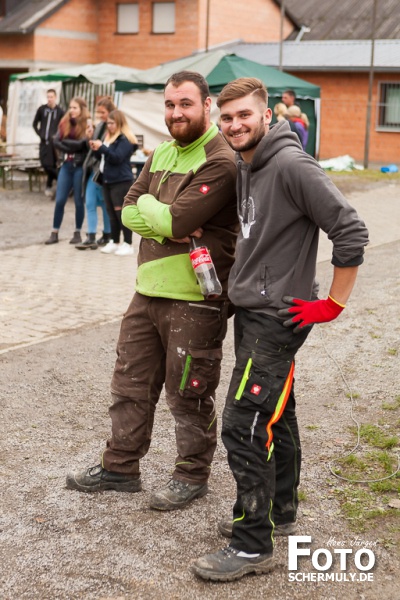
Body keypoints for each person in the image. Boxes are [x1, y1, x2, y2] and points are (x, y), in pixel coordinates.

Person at [192, 77, 369, 582]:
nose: (234, 125)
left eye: (244, 115)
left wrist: (331, 304)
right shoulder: (248, 162)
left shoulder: (292, 164)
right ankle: (279, 513)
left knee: (242, 423)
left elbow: (351, 229)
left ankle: (252, 545)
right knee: (275, 414)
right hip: (253, 311)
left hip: (279, 317)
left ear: (266, 114)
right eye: (226, 118)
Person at [65, 71, 238, 511]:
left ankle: (191, 474)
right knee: (130, 383)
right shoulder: (161, 151)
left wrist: (161, 215)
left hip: (196, 298)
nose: (176, 113)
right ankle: (120, 467)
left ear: (207, 106)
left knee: (189, 391)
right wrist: (159, 213)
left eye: (185, 104)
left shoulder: (220, 159)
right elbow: (127, 209)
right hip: (147, 290)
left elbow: (178, 223)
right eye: (169, 104)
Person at [89, 109, 138, 256]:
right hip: (108, 180)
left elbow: (117, 157)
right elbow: (104, 158)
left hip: (121, 181)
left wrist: (102, 147)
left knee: (121, 214)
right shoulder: (109, 137)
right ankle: (114, 241)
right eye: (108, 123)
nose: (109, 125)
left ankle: (128, 244)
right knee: (111, 213)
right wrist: (96, 149)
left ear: (119, 123)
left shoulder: (124, 139)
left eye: (112, 123)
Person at [44, 97, 90, 245]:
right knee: (60, 200)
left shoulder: (87, 124)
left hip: (79, 167)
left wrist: (69, 144)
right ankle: (54, 232)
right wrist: (75, 145)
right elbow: (56, 141)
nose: (71, 110)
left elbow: (85, 144)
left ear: (82, 109)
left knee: (78, 201)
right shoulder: (64, 122)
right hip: (66, 165)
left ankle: (77, 233)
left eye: (75, 108)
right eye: (70, 107)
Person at [76, 97, 116, 250]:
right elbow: (94, 150)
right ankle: (91, 236)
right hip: (94, 170)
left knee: (106, 205)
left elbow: (113, 151)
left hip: (105, 172)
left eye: (102, 112)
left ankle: (107, 234)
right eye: (98, 112)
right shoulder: (100, 125)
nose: (100, 115)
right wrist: (90, 138)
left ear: (110, 112)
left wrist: (98, 144)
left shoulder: (114, 127)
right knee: (90, 202)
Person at [32, 89, 65, 198]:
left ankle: (49, 186)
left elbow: (63, 126)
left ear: (55, 97)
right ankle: (62, 181)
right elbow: (34, 123)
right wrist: (40, 134)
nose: (49, 99)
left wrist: (58, 137)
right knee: (45, 164)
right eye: (48, 97)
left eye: (51, 97)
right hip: (43, 142)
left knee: (51, 165)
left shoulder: (60, 111)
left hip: (53, 144)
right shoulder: (42, 109)